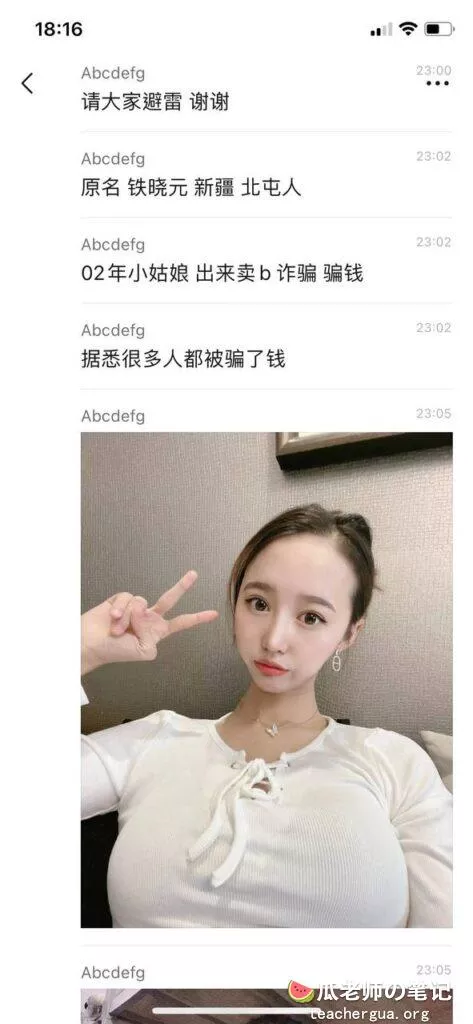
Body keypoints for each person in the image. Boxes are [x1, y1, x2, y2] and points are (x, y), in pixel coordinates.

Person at [81, 503, 452, 928]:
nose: (274, 639)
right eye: (258, 603)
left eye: (311, 617)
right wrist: (82, 649)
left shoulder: (395, 763)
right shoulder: (153, 741)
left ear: (350, 632)